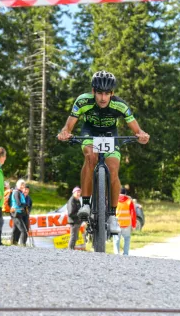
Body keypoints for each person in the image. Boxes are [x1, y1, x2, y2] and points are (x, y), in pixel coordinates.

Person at [57, 71, 150, 235]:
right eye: (99, 92)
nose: (103, 97)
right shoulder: (83, 101)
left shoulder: (120, 105)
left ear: (112, 93)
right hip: (89, 133)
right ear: (93, 91)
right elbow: (69, 125)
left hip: (110, 135)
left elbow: (136, 128)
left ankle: (113, 215)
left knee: (113, 168)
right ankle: (86, 203)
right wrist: (65, 132)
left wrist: (141, 135)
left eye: (107, 93)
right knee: (90, 156)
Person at [113, 188, 136, 255]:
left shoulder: (115, 200)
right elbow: (133, 214)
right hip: (126, 224)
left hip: (117, 224)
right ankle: (125, 254)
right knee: (127, 239)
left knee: (116, 239)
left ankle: (116, 253)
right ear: (125, 194)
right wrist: (134, 225)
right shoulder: (129, 201)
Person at [11, 179, 28, 246]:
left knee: (16, 230)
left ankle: (13, 244)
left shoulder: (20, 192)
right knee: (23, 231)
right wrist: (25, 205)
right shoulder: (16, 192)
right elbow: (18, 203)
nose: (22, 186)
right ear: (17, 185)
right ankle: (22, 245)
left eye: (23, 185)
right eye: (21, 185)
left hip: (18, 213)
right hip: (16, 213)